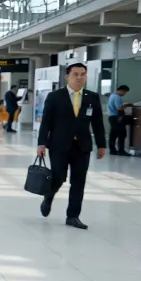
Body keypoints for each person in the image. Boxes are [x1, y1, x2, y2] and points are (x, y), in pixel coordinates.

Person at [38, 63, 106, 229]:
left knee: (79, 182)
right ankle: (48, 196)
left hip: (82, 146)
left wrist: (101, 144)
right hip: (59, 144)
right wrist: (41, 143)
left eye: (82, 74)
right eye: (75, 74)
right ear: (67, 76)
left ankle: (73, 216)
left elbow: (97, 123)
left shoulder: (92, 97)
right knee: (58, 177)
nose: (79, 77)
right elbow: (46, 121)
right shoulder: (55, 96)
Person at [107, 85, 134, 155]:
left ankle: (112, 150)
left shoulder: (112, 96)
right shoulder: (117, 97)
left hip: (112, 117)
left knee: (113, 134)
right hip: (117, 118)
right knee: (122, 134)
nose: (124, 94)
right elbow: (119, 108)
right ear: (122, 90)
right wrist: (125, 105)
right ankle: (121, 150)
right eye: (125, 92)